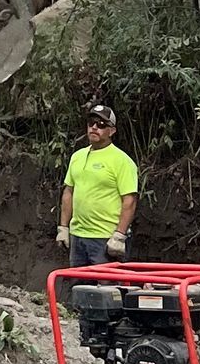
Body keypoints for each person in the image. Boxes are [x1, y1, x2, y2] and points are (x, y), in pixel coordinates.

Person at [55, 103, 138, 266]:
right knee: (78, 287)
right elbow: (68, 192)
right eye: (91, 123)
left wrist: (119, 235)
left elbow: (129, 200)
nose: (94, 128)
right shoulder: (77, 157)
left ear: (112, 131)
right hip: (78, 236)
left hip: (105, 238)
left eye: (101, 125)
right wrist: (63, 228)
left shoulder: (122, 161)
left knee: (106, 288)